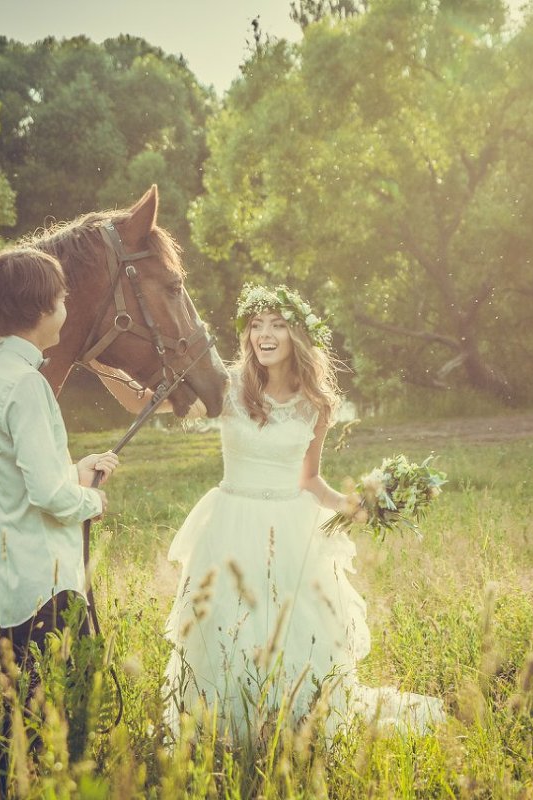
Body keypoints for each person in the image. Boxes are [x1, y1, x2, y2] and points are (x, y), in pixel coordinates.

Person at [162, 284, 444, 744]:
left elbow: (310, 480)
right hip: (231, 521)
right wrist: (106, 368)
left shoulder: (316, 402)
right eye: (256, 326)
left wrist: (354, 506)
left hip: (291, 528)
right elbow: (161, 400)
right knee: (224, 630)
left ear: (296, 335)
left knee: (292, 631)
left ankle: (291, 722)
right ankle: (223, 728)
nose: (265, 336)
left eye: (276, 325)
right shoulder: (227, 384)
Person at [0, 247, 119, 767]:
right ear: (41, 308)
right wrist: (91, 498)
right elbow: (47, 496)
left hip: (5, 582)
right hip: (47, 582)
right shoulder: (28, 386)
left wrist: (73, 470)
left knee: (20, 716)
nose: (66, 308)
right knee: (62, 721)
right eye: (62, 298)